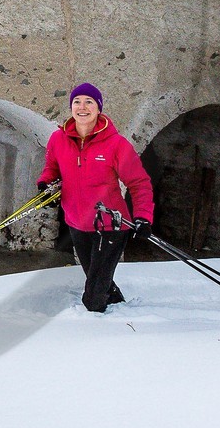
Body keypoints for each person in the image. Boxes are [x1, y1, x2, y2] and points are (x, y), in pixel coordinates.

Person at [35, 83, 154, 312]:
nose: (82, 107)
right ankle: (121, 309)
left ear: (98, 108)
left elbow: (139, 183)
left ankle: (99, 335)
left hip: (110, 224)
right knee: (99, 280)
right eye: (77, 102)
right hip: (77, 224)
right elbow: (51, 167)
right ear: (71, 107)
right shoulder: (58, 140)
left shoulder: (116, 144)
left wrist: (143, 217)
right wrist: (45, 183)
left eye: (89, 102)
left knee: (93, 297)